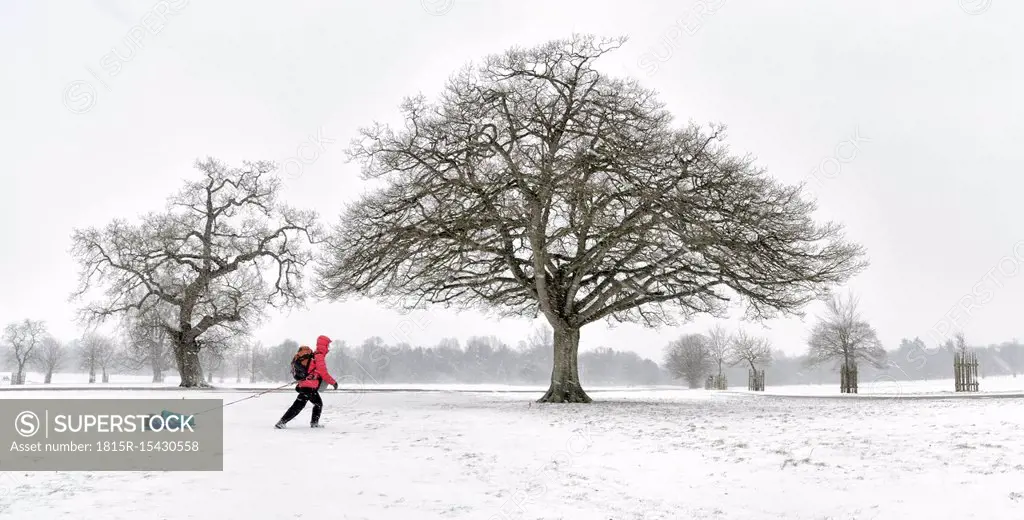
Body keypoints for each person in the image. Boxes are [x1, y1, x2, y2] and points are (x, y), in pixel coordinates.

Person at [275, 335, 338, 428]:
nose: (328, 347)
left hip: (307, 385)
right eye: (327, 345)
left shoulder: (315, 355)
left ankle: (314, 423)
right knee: (299, 406)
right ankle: (282, 422)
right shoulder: (319, 356)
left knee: (317, 404)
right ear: (323, 345)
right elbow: (323, 372)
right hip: (309, 386)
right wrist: (333, 382)